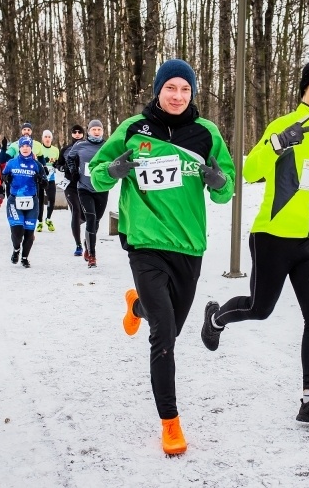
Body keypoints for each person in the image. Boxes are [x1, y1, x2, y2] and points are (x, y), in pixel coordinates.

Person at [200, 58, 309, 425]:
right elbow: (250, 171)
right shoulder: (283, 125)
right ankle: (216, 319)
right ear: (305, 89)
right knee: (259, 308)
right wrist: (278, 144)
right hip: (272, 238)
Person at [89, 59, 235, 455]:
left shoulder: (206, 133)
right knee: (164, 336)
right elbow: (96, 173)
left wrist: (218, 181)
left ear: (192, 93)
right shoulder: (133, 129)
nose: (177, 95)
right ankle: (170, 424)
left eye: (185, 89)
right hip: (144, 242)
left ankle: (137, 305)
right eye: (170, 87)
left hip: (188, 245)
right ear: (158, 90)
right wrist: (113, 170)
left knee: (171, 325)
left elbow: (226, 190)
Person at [66, 119, 109, 267]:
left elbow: (115, 161)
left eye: (99, 129)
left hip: (102, 188)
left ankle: (87, 243)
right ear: (89, 131)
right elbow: (70, 158)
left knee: (96, 221)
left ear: (102, 131)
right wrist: (73, 171)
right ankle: (92, 255)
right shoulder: (80, 145)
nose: (96, 132)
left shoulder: (107, 146)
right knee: (91, 218)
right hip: (84, 188)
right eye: (93, 129)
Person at [2, 136, 48, 268]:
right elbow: (3, 176)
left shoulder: (37, 165)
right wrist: (6, 178)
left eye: (28, 146)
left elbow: (45, 184)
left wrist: (40, 180)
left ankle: (24, 258)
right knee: (17, 231)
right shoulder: (12, 163)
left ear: (31, 148)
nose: (25, 148)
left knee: (29, 232)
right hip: (14, 200)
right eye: (23, 146)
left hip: (31, 202)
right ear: (19, 148)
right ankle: (16, 249)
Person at [55, 124, 87, 256]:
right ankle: (78, 245)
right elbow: (58, 164)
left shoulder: (88, 147)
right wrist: (62, 168)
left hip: (84, 184)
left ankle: (80, 224)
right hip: (70, 185)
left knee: (85, 215)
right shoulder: (65, 149)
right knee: (75, 209)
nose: (77, 134)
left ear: (83, 134)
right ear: (71, 134)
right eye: (75, 132)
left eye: (80, 132)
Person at [36, 129, 60, 232]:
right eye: (45, 137)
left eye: (49, 137)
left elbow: (57, 163)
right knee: (40, 200)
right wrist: (43, 161)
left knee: (52, 199)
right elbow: (35, 161)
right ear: (42, 138)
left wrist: (56, 164)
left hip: (51, 178)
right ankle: (40, 222)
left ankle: (48, 219)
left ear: (51, 139)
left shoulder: (55, 150)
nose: (47, 139)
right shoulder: (39, 149)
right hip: (41, 179)